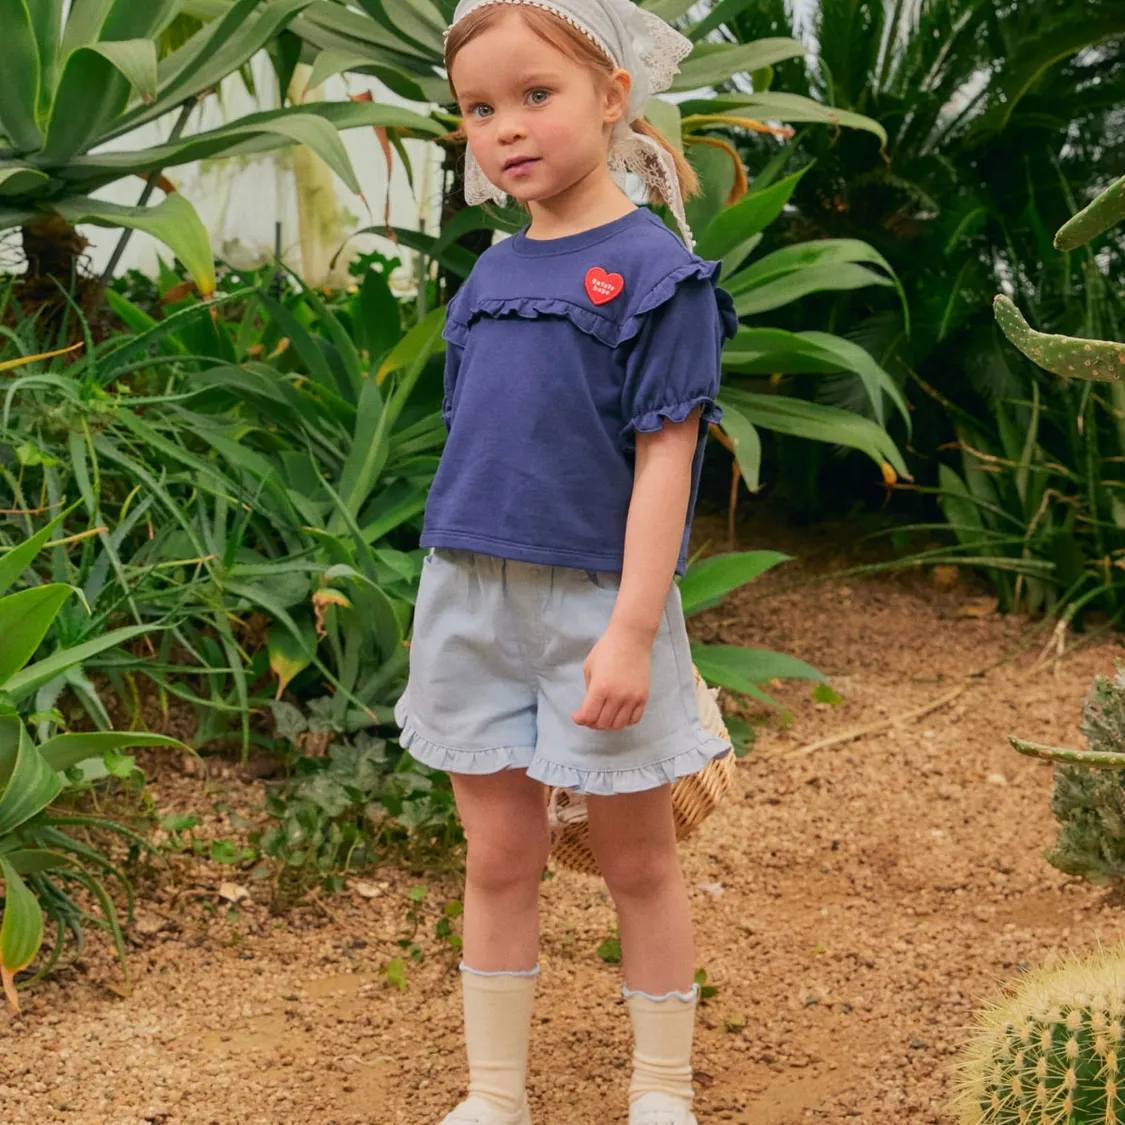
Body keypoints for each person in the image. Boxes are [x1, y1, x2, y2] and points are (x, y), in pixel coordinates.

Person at [394, 0, 738, 1120]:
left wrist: (633, 631)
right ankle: (495, 1093)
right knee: (498, 858)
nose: (505, 127)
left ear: (611, 96)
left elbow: (666, 462)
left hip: (597, 604)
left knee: (637, 861)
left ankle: (662, 1088)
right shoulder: (490, 272)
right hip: (467, 594)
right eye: (478, 108)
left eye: (534, 94)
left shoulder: (656, 273)